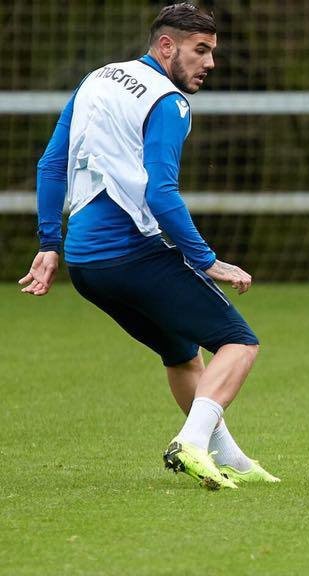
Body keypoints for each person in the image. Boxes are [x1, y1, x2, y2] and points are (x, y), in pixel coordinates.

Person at [20, 3, 278, 490]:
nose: (210, 63)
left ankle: (231, 461)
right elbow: (162, 192)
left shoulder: (96, 79)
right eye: (200, 50)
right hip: (128, 253)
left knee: (181, 354)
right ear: (166, 46)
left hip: (86, 265)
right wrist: (208, 260)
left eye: (212, 52)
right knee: (239, 343)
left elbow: (50, 165)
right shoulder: (170, 102)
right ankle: (192, 443)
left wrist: (51, 243)